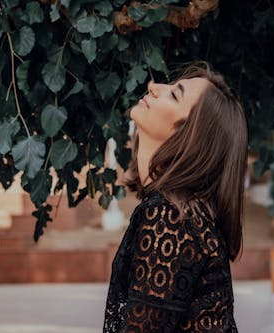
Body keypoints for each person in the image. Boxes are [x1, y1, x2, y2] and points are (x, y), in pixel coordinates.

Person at [103, 63, 248, 332]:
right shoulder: (183, 215)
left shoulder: (170, 219)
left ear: (188, 136)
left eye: (174, 94)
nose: (154, 86)